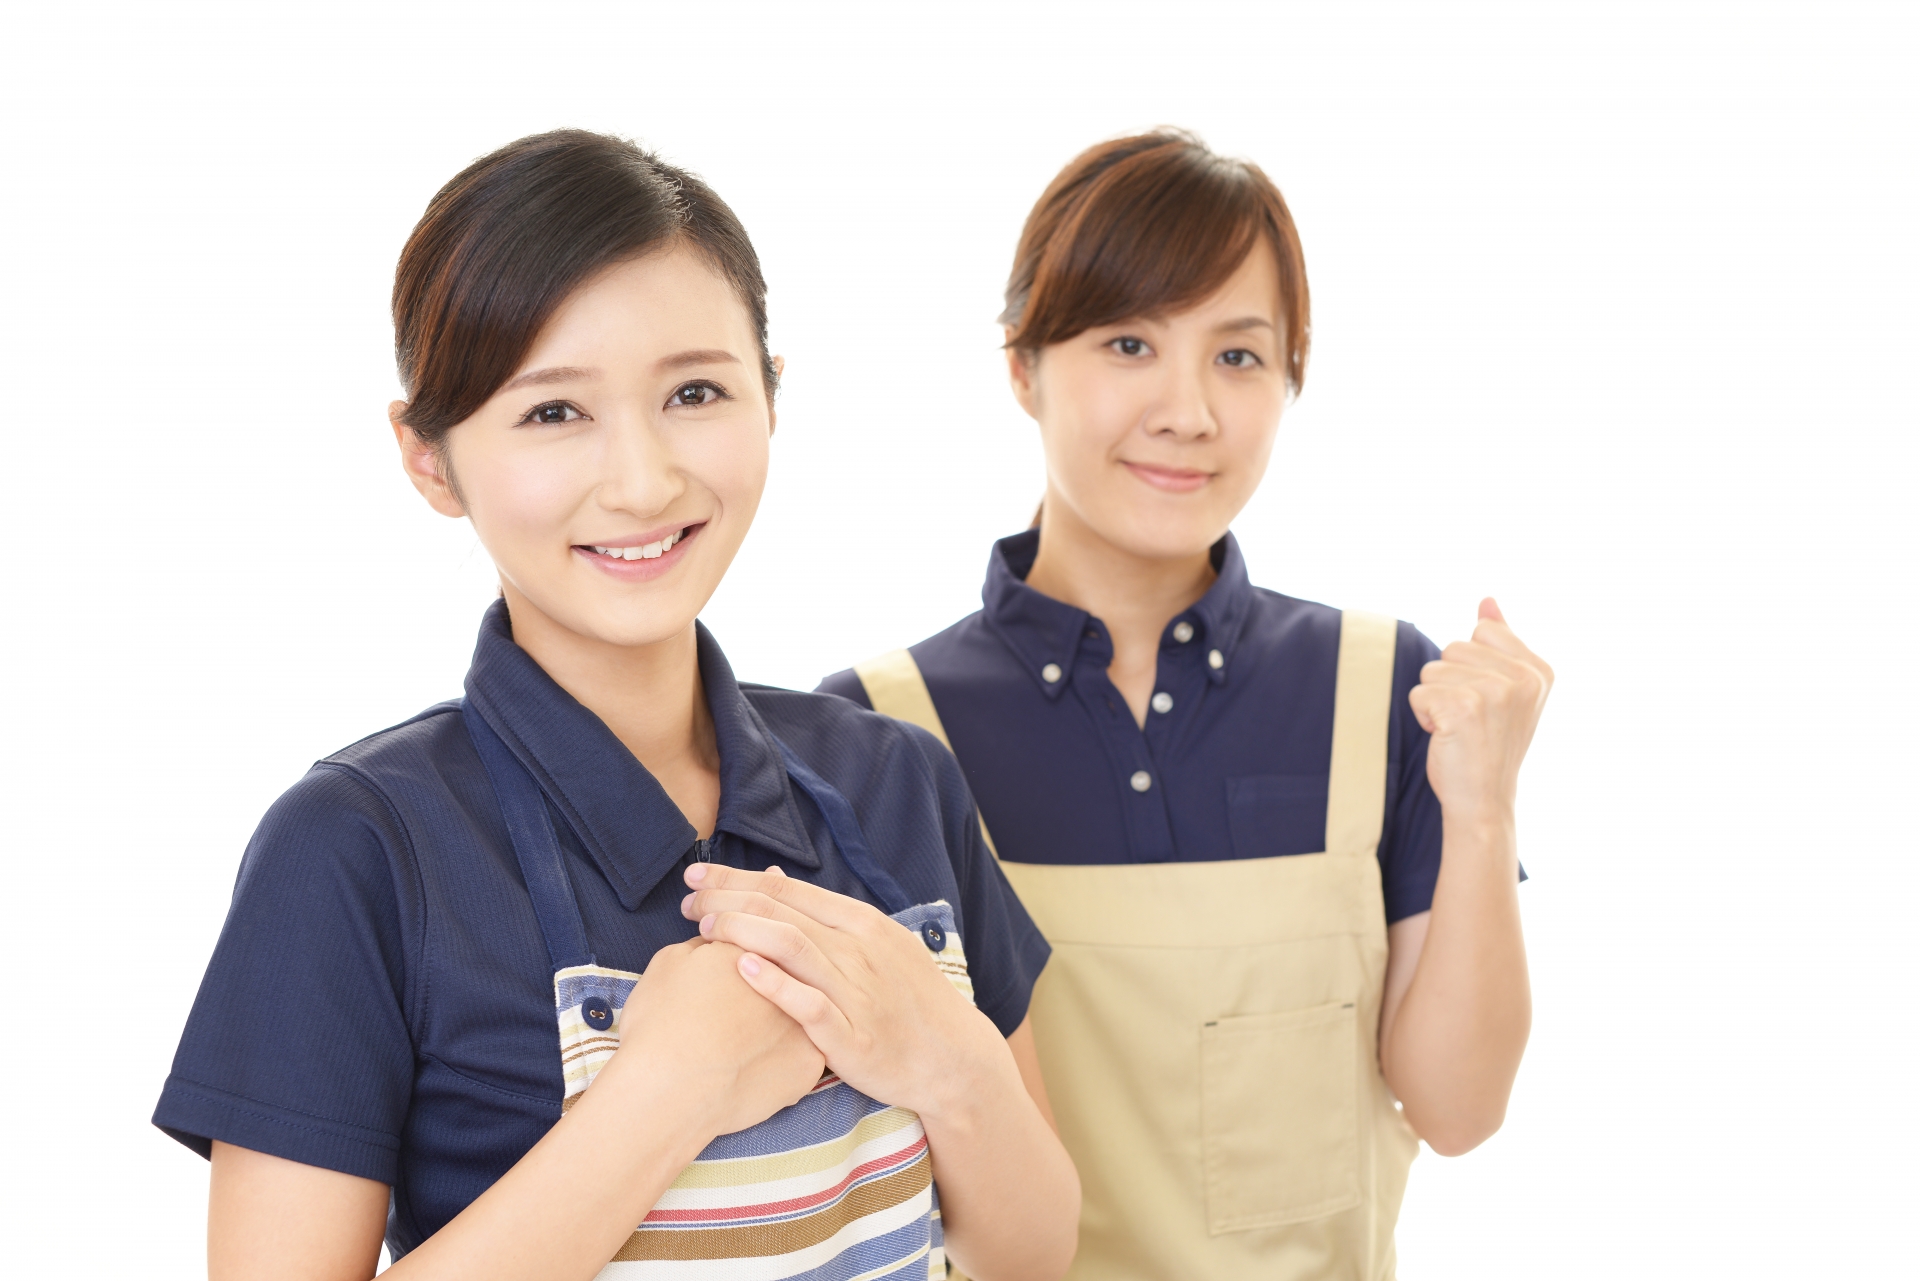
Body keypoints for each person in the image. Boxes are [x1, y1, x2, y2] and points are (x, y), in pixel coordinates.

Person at [153, 129, 1079, 1281]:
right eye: (554, 413)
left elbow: (1036, 1253)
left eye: (695, 391)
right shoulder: (355, 849)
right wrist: (668, 1089)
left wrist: (947, 1055)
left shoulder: (894, 780)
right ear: (429, 458)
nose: (643, 480)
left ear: (772, 396)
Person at [819, 130, 1551, 1280]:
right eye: (1128, 344)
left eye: (1241, 357)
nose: (1189, 410)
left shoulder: (1383, 691)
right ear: (1023, 366)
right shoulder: (879, 736)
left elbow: (1457, 1110)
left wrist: (1484, 810)